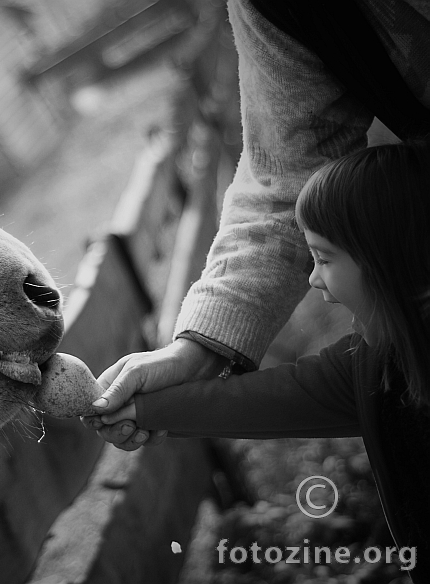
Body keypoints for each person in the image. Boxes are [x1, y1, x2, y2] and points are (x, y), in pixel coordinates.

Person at [83, 0, 430, 449]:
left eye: (324, 257)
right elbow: (285, 172)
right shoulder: (387, 369)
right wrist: (195, 355)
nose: (312, 275)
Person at [92, 141, 430, 580]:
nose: (312, 279)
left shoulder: (380, 362)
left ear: (389, 257)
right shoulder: (377, 364)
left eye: (324, 259)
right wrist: (140, 407)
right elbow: (276, 399)